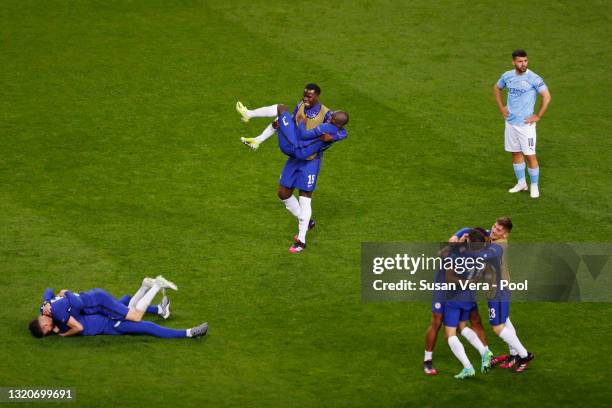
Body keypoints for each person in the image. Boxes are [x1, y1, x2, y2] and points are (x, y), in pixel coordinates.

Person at [236, 95, 349, 253]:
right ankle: (307, 223)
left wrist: (303, 124)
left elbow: (308, 135)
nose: (330, 117)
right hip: (296, 156)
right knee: (283, 193)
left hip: (310, 161)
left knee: (305, 199)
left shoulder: (328, 128)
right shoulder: (324, 116)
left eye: (333, 118)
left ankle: (301, 241)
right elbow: (342, 132)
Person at [423, 232, 491, 376]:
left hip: (454, 292)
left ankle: (474, 361)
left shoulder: (462, 252)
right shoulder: (470, 249)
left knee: (454, 330)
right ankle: (427, 360)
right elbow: (441, 254)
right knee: (438, 322)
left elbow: (447, 265)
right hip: (446, 289)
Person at [34, 276, 176, 337]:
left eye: (47, 331)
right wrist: (49, 300)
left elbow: (78, 327)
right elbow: (49, 290)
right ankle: (157, 306)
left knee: (136, 316)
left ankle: (155, 285)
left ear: (44, 326)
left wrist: (64, 335)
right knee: (125, 302)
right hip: (94, 296)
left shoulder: (57, 313)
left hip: (99, 303)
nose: (50, 330)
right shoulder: (44, 308)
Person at [494, 49, 551, 198]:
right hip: (511, 123)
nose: (523, 64)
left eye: (525, 61)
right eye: (520, 61)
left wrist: (538, 115)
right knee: (515, 152)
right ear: (513, 62)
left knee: (530, 155)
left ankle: (534, 185)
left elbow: (546, 96)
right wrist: (502, 108)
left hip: (526, 126)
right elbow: (497, 88)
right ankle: (521, 183)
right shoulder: (507, 76)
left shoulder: (534, 78)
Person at [236, 83, 332, 151]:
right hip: (295, 136)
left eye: (309, 96)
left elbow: (335, 133)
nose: (305, 99)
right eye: (304, 96)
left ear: (317, 96)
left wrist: (320, 147)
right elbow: (293, 119)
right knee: (279, 119)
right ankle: (256, 141)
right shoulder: (301, 104)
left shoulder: (326, 113)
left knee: (281, 108)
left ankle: (248, 114)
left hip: (304, 143)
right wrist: (277, 126)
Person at [30, 313, 208, 339]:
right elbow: (80, 328)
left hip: (107, 313)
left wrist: (45, 307)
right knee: (148, 327)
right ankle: (189, 333)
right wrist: (64, 335)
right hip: (114, 324)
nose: (48, 329)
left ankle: (161, 309)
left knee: (127, 300)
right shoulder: (61, 328)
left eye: (44, 327)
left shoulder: (56, 316)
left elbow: (48, 291)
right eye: (46, 331)